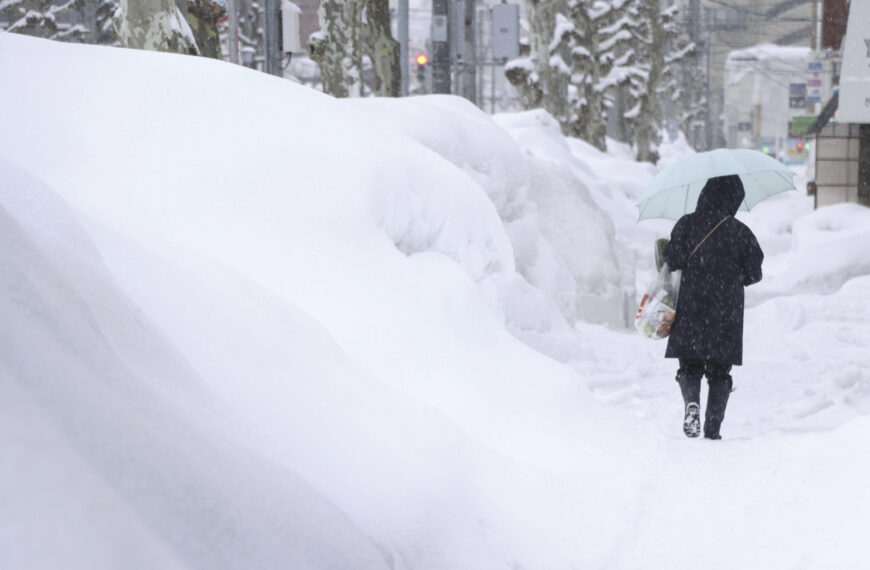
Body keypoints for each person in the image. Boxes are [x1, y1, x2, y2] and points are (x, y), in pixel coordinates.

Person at [663, 175, 764, 440]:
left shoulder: (686, 224)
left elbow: (672, 260)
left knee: (690, 363)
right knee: (720, 370)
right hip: (726, 307)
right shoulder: (740, 232)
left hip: (691, 301)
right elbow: (755, 273)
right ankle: (713, 429)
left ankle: (691, 405)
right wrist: (732, 276)